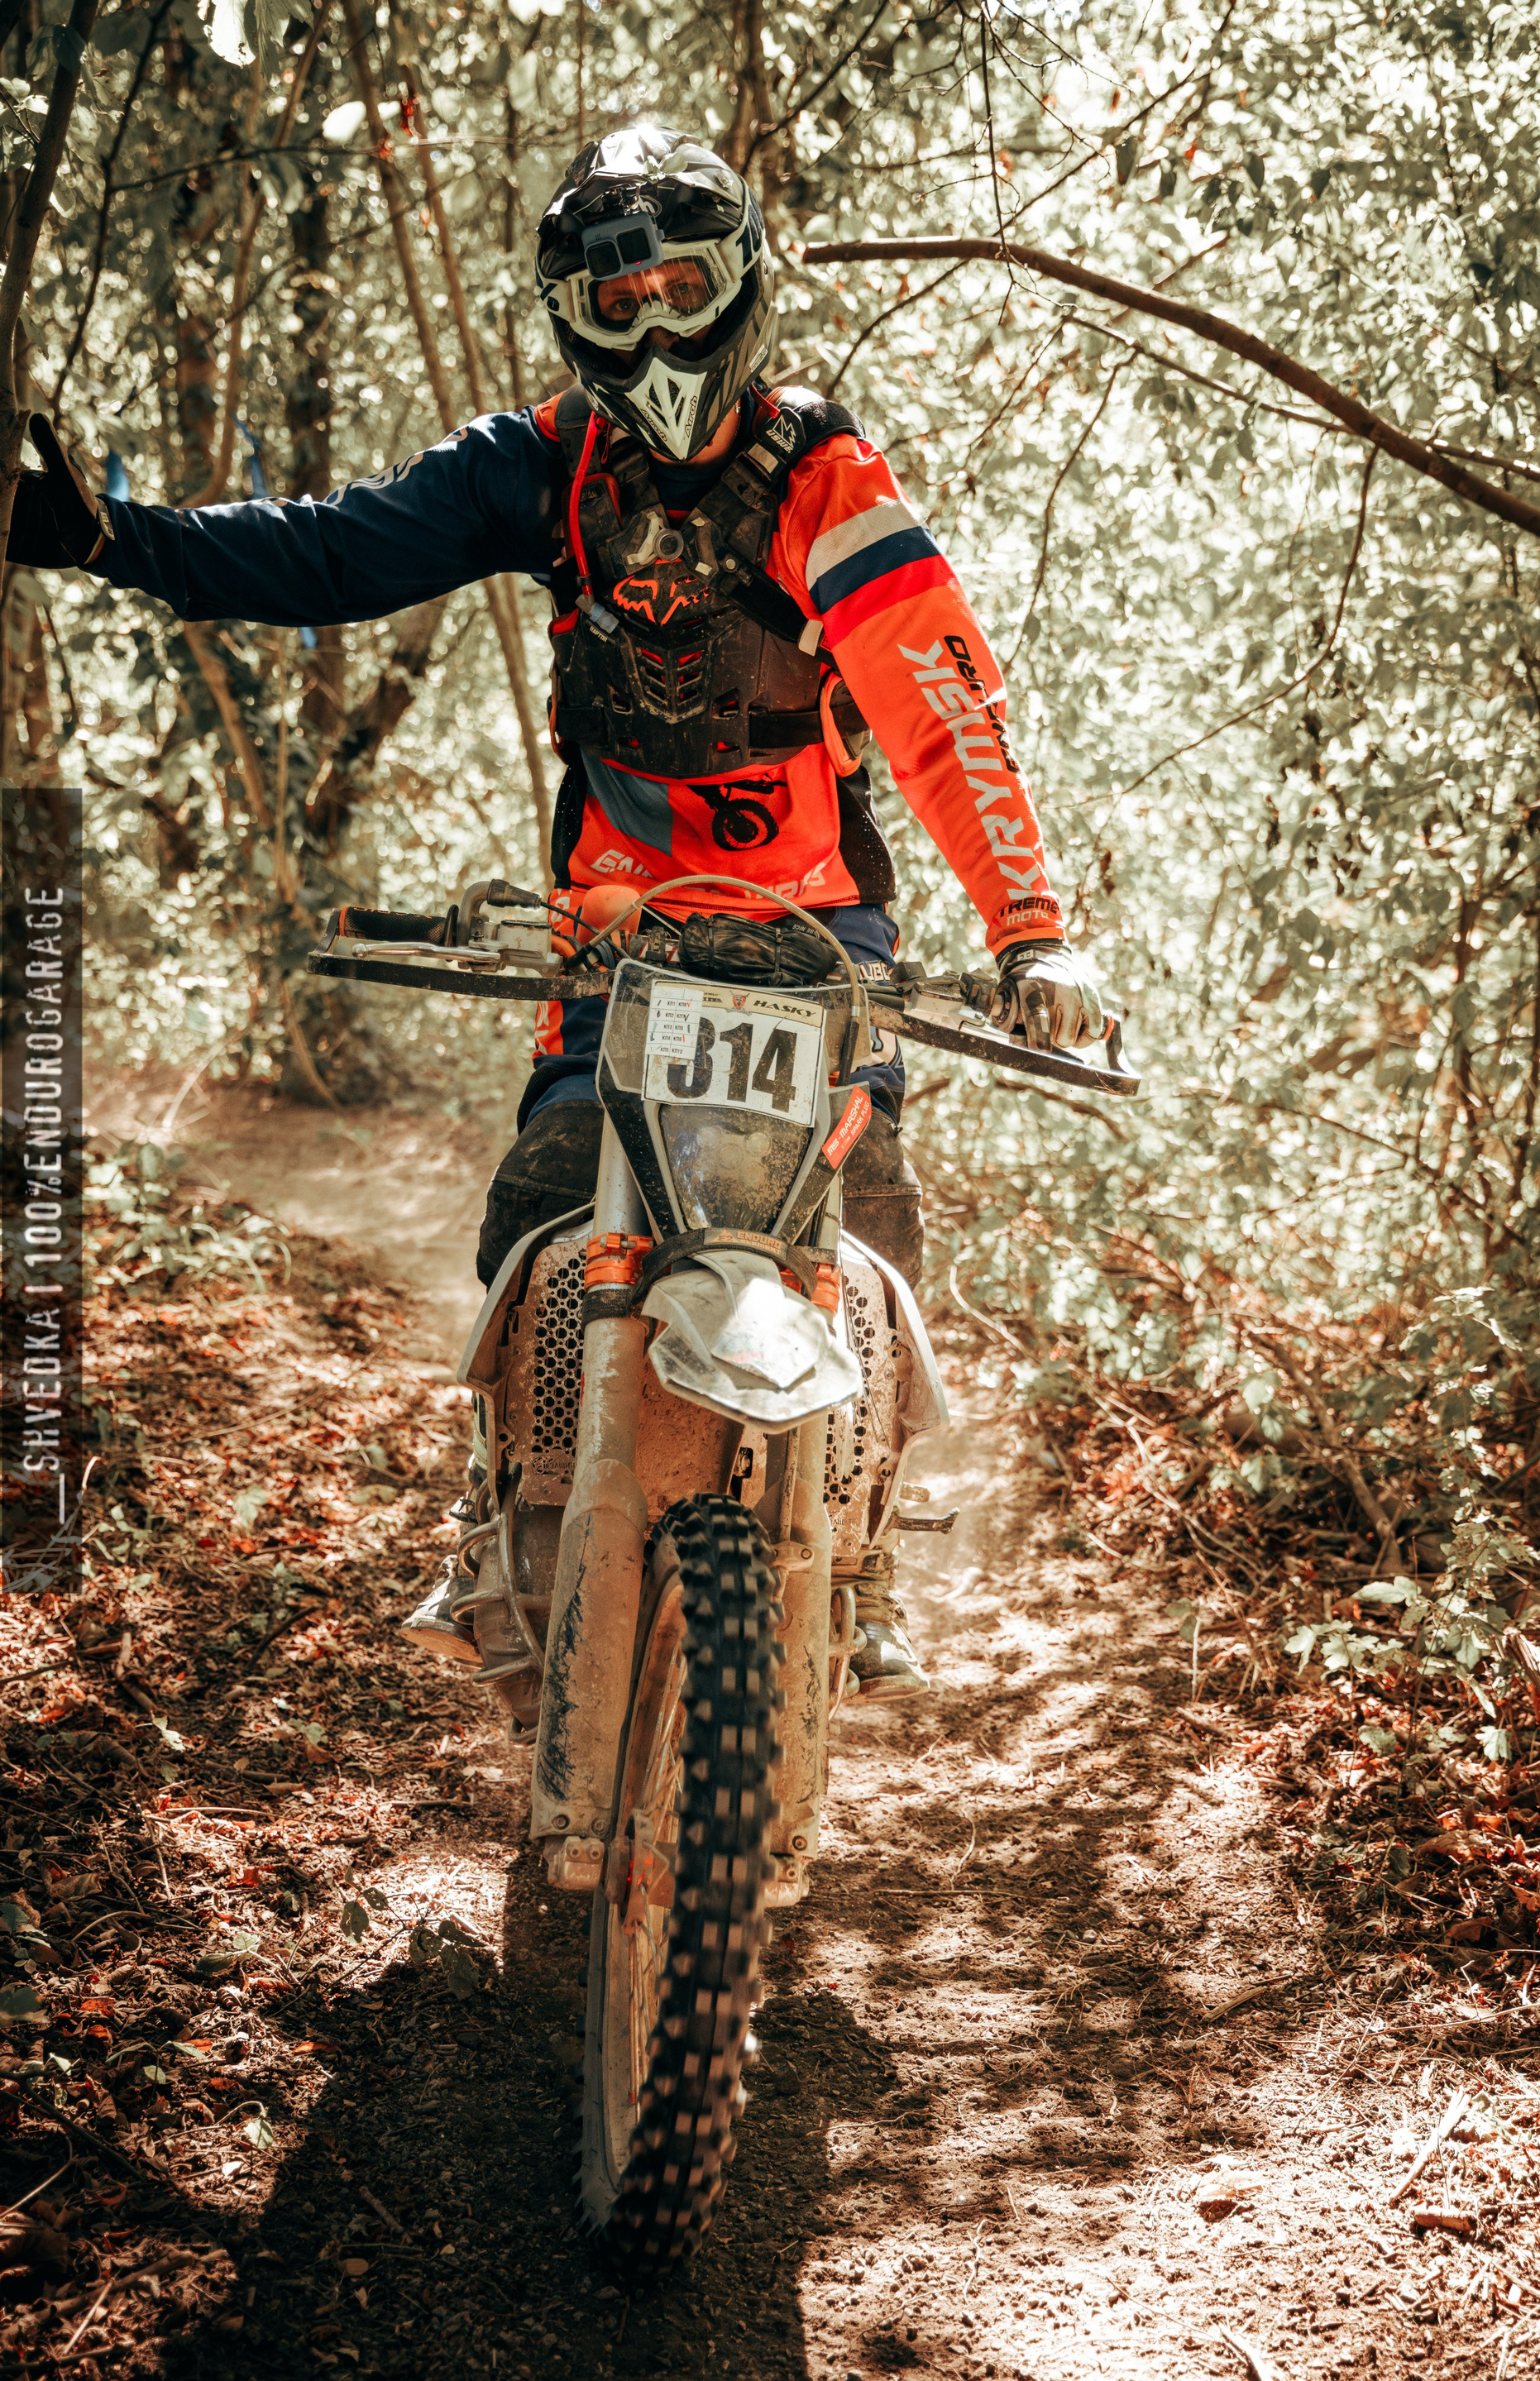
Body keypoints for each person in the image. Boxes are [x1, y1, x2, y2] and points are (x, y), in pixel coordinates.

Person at [10, 124, 1103, 1701]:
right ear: (570, 317)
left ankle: (859, 1546)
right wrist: (114, 540)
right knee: (543, 1190)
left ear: (739, 287)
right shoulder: (541, 469)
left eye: (680, 292)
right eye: (616, 304)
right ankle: (501, 1504)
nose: (653, 335)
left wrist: (1031, 928)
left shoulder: (826, 478)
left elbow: (942, 704)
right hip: (622, 937)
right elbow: (332, 551)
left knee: (865, 1213)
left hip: (816, 933)